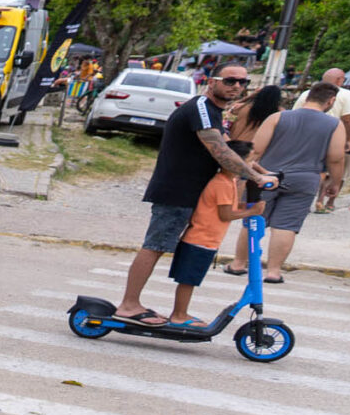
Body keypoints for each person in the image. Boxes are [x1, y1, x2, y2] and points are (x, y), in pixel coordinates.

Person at [113, 63, 276, 325]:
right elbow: (219, 150)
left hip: (193, 192)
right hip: (177, 190)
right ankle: (129, 305)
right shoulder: (201, 108)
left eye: (242, 82)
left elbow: (232, 149)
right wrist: (256, 178)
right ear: (212, 82)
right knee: (155, 246)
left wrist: (263, 171)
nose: (236, 86)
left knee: (169, 248)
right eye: (230, 80)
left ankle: (172, 311)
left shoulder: (214, 112)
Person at [231, 82, 348, 283]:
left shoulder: (278, 117)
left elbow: (256, 150)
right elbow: (336, 158)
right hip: (305, 179)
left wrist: (244, 175)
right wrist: (335, 183)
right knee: (286, 225)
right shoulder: (335, 125)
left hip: (267, 176)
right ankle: (273, 272)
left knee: (254, 219)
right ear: (331, 101)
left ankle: (238, 263)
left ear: (307, 96)